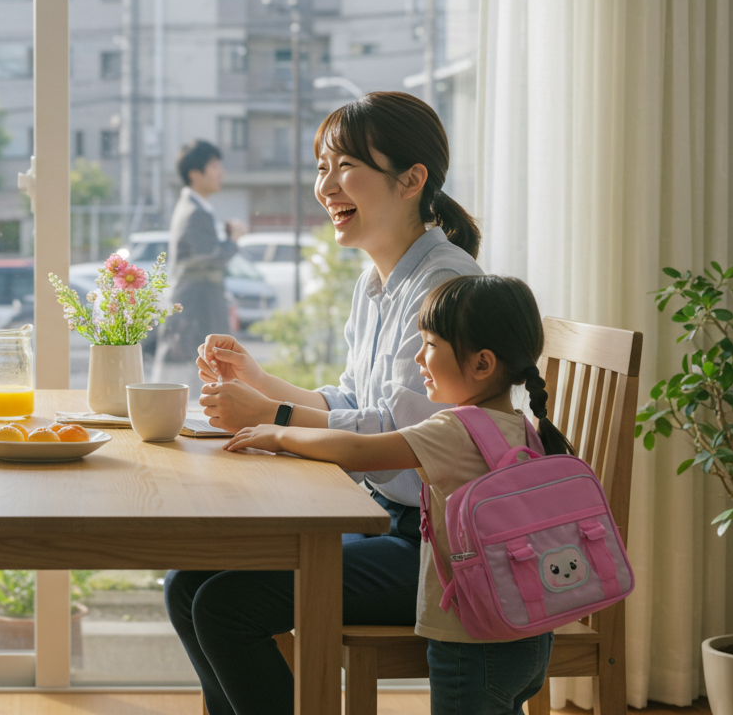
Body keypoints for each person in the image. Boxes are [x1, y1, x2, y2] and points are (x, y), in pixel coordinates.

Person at [164, 91, 485, 714]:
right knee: (186, 584)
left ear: (411, 179)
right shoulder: (377, 280)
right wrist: (262, 384)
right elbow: (349, 400)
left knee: (225, 606)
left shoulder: (446, 286)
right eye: (321, 167)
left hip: (440, 548)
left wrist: (271, 417)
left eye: (344, 167)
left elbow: (398, 445)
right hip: (391, 525)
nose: (325, 186)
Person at [222, 274, 564, 715]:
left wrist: (281, 433)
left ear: (482, 364)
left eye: (432, 345)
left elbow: (361, 451)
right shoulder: (523, 429)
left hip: (471, 638)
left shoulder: (456, 430)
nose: (419, 358)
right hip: (530, 632)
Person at [156, 139, 248, 365]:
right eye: (215, 166)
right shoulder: (194, 212)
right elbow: (210, 259)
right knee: (196, 381)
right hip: (196, 312)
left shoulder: (195, 208)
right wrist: (233, 240)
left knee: (199, 379)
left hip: (196, 309)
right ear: (195, 173)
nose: (221, 172)